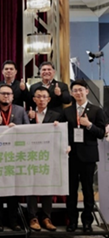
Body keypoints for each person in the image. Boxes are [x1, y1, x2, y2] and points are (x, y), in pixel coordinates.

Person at [63, 79, 106, 233]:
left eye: (81, 90)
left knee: (88, 191)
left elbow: (101, 133)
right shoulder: (67, 111)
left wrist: (89, 125)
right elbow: (64, 133)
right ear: (72, 93)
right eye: (75, 90)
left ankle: (87, 222)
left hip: (88, 156)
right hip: (71, 156)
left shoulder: (96, 110)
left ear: (86, 91)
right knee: (71, 191)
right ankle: (72, 222)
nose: (78, 93)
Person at [0, 84, 29, 232]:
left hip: (14, 156)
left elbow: (28, 130)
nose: (6, 96)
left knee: (13, 189)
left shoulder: (20, 110)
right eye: (3, 93)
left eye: (8, 94)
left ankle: (13, 220)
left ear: (13, 96)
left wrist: (17, 129)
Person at [26, 87, 59, 232]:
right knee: (31, 186)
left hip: (48, 156)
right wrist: (30, 121)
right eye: (38, 96)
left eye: (44, 96)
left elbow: (62, 136)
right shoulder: (27, 115)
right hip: (30, 155)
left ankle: (46, 217)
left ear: (49, 99)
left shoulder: (57, 115)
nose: (41, 99)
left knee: (47, 186)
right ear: (33, 99)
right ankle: (33, 218)